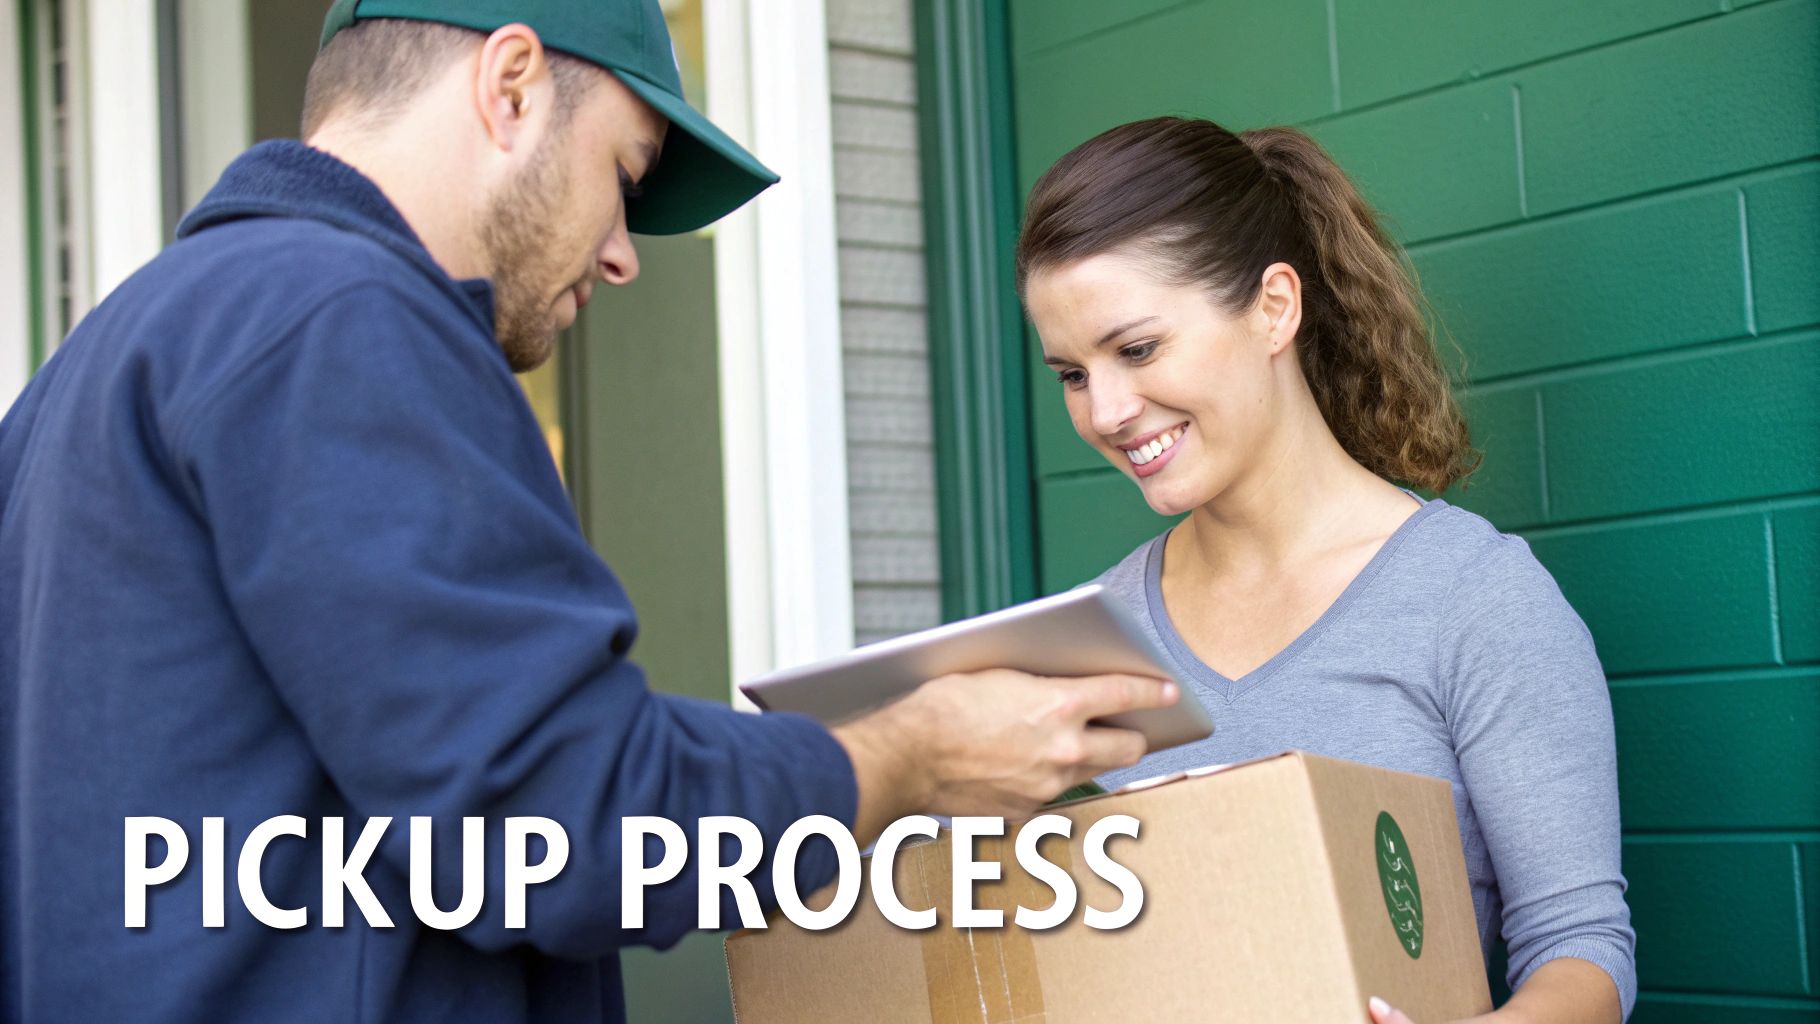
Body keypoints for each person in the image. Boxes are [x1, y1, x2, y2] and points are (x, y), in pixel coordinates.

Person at [0, 3, 1178, 1021]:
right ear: (510, 85)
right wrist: (910, 754)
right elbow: (560, 827)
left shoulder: (99, 364)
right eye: (622, 175)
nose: (621, 255)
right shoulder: (343, 318)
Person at [1015, 117, 1636, 1024]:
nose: (1106, 410)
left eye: (1138, 349)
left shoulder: (1473, 599)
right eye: (1071, 374)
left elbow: (1582, 952)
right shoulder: (1091, 638)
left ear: (1274, 306)